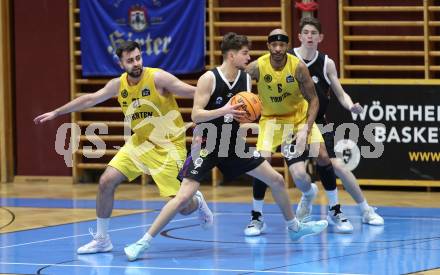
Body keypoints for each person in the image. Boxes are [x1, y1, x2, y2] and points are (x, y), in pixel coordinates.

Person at [123, 32, 328, 261]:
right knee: (182, 198)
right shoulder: (208, 79)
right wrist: (225, 110)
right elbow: (196, 115)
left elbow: (242, 114)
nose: (249, 57)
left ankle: (294, 227)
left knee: (277, 180)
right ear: (231, 55)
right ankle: (143, 242)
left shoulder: (246, 79)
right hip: (207, 145)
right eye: (244, 53)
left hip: (232, 145)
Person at [34, 41, 213, 254]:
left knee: (184, 207)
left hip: (168, 146)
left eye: (138, 58)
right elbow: (90, 99)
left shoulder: (158, 77)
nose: (136, 63)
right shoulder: (118, 85)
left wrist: (214, 109)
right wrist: (57, 112)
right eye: (130, 60)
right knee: (106, 181)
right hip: (140, 142)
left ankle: (198, 201)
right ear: (121, 64)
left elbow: (195, 92)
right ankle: (102, 239)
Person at [247, 18, 384, 236]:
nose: (310, 36)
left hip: (316, 121)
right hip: (289, 121)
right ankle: (304, 196)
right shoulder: (284, 58)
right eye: (306, 32)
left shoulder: (326, 62)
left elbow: (339, 92)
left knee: (335, 164)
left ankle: (360, 209)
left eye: (314, 33)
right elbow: (248, 77)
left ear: (320, 37)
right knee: (297, 174)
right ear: (299, 37)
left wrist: (350, 106)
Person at [244, 29, 327, 236]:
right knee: (261, 164)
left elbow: (314, 100)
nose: (278, 49)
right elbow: (237, 87)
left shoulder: (298, 67)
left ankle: (308, 193)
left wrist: (306, 128)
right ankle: (256, 217)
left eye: (282, 45)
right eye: (274, 45)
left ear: (287, 46)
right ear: (268, 46)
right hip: (270, 120)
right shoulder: (256, 67)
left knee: (300, 175)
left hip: (295, 120)